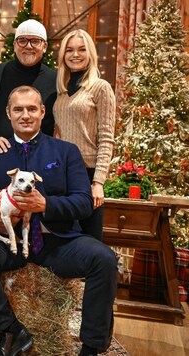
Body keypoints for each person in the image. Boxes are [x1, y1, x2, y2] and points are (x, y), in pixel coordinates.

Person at [0, 85, 117, 356]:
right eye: (18, 109)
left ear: (43, 112)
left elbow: (84, 203)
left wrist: (47, 204)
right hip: (10, 242)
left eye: (32, 109)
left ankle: (91, 348)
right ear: (8, 114)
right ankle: (10, 330)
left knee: (104, 259)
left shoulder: (66, 152)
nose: (25, 115)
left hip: (57, 242)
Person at [53, 29, 116, 241]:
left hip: (87, 174)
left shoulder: (100, 88)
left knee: (89, 239)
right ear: (63, 55)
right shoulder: (60, 92)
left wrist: (98, 182)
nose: (75, 54)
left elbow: (107, 138)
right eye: (69, 50)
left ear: (90, 53)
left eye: (81, 49)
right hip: (61, 174)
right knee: (62, 237)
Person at [0, 19, 57, 154]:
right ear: (15, 45)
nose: (28, 46)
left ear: (44, 46)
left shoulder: (55, 79)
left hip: (41, 158)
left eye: (35, 41)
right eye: (22, 40)